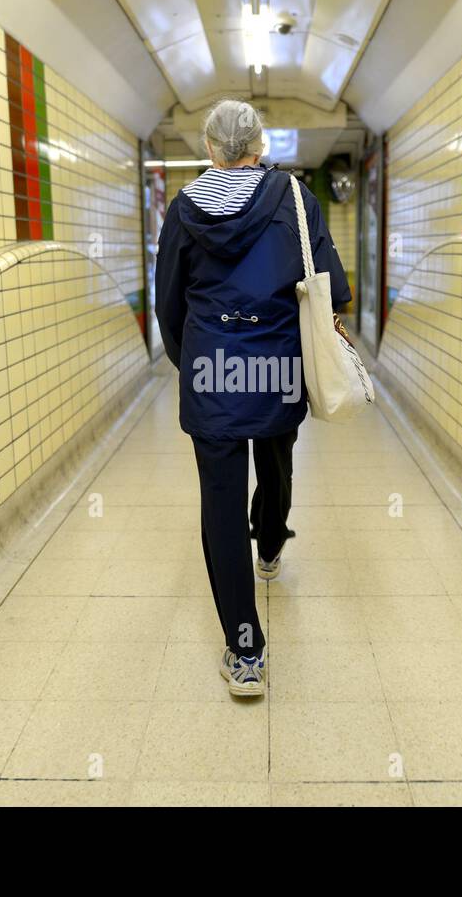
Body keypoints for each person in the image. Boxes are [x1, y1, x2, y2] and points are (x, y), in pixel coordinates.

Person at [155, 100, 352, 697]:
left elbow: (169, 304)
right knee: (277, 457)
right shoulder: (294, 200)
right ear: (259, 147)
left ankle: (245, 650)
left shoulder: (184, 212)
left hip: (212, 371)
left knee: (219, 504)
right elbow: (333, 286)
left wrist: (190, 359)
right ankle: (269, 543)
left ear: (210, 149)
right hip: (275, 368)